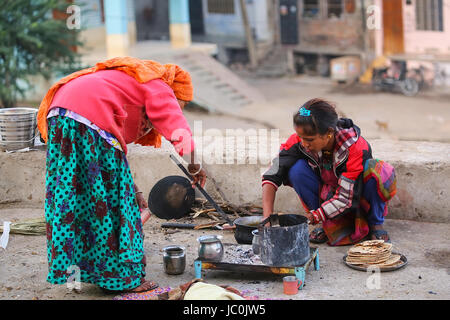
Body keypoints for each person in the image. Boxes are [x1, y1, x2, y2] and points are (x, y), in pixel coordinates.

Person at [37, 57, 206, 293]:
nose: (177, 107)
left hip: (60, 115)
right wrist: (196, 166)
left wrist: (134, 189)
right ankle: (122, 279)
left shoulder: (129, 81)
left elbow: (113, 164)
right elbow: (178, 129)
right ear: (175, 94)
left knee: (73, 199)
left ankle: (77, 272)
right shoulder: (158, 85)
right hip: (90, 119)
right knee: (118, 207)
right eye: (179, 103)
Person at [261, 98, 397, 246]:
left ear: (329, 133)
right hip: (327, 197)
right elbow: (272, 173)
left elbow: (346, 198)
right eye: (300, 137)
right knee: (296, 170)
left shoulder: (354, 147)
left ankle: (375, 224)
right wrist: (267, 218)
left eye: (309, 139)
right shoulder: (300, 141)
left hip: (354, 198)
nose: (304, 144)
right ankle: (324, 223)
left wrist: (313, 217)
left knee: (377, 170)